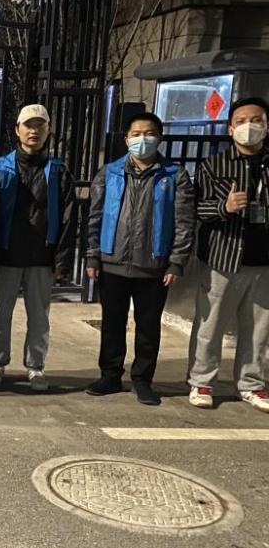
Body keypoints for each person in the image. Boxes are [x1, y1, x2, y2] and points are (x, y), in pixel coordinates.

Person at [84, 112, 195, 406]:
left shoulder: (174, 175)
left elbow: (184, 222)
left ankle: (143, 380)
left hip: (154, 266)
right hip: (112, 262)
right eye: (136, 134)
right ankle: (110, 375)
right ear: (126, 139)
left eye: (149, 133)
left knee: (148, 326)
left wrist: (176, 260)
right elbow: (95, 216)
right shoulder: (109, 173)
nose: (142, 139)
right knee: (112, 323)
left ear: (159, 138)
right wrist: (92, 255)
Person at [0, 104, 76, 392]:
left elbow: (68, 218)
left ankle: (36, 367)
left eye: (40, 125)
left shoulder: (58, 171)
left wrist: (61, 261)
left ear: (48, 130)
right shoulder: (0, 169)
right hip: (6, 255)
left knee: (39, 318)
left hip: (41, 257)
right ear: (17, 130)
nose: (34, 131)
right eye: (28, 125)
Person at [187, 96, 269, 413]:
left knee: (259, 329)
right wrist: (225, 206)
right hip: (224, 258)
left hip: (263, 260)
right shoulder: (214, 165)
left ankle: (252, 383)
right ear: (230, 129)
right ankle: (201, 380)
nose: (250, 126)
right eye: (241, 121)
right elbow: (197, 208)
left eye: (257, 120)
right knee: (210, 325)